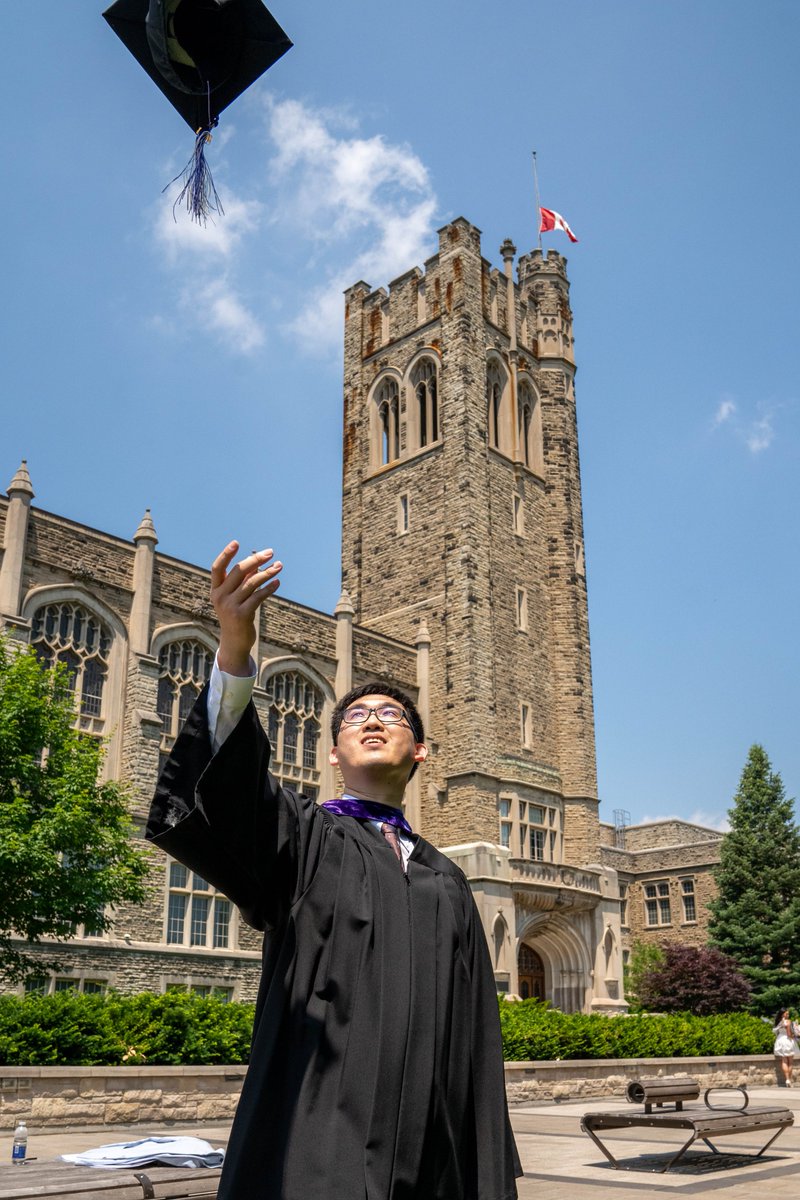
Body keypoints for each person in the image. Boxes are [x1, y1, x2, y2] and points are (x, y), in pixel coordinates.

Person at [147, 542, 522, 1200]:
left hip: (435, 1160)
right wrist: (235, 651)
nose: (374, 719)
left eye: (392, 715)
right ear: (330, 756)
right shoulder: (305, 842)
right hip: (320, 1147)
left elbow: (474, 1045)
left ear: (422, 751)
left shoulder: (448, 883)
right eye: (356, 716)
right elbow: (230, 798)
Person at [772, 1007, 800, 1087]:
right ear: (782, 1014)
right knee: (790, 1062)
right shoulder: (788, 1022)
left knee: (784, 1061)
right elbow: (789, 1034)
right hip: (787, 1041)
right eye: (786, 1013)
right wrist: (796, 1034)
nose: (788, 1014)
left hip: (780, 1041)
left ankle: (787, 1079)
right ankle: (789, 1080)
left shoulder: (778, 1022)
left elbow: (775, 1031)